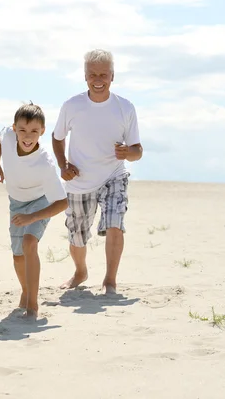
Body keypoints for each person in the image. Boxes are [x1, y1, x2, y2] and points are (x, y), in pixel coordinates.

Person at [51, 49, 143, 295]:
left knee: (115, 223)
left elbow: (137, 150)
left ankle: (110, 281)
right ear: (85, 76)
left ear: (112, 76)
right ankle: (80, 271)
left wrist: (127, 153)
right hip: (80, 181)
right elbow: (57, 138)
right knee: (77, 236)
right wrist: (63, 165)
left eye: (104, 74)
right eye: (93, 75)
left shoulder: (125, 108)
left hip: (114, 175)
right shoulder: (72, 106)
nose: (98, 79)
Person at [0, 103, 68, 318]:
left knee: (29, 242)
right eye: (22, 130)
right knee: (17, 256)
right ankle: (25, 291)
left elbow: (62, 203)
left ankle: (32, 306)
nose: (27, 136)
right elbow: (0, 136)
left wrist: (32, 217)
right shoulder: (8, 136)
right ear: (14, 128)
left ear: (42, 131)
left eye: (34, 131)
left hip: (40, 202)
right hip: (17, 202)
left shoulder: (45, 163)